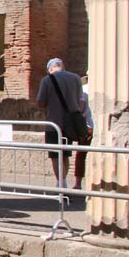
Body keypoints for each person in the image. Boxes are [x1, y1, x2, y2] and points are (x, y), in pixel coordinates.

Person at [35, 58, 83, 188]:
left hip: (54, 123)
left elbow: (40, 102)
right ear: (63, 66)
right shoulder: (76, 78)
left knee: (55, 155)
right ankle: (63, 180)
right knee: (65, 154)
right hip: (70, 123)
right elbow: (80, 100)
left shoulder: (47, 80)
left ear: (50, 69)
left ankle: (61, 182)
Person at [73, 75, 95, 191]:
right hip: (98, 126)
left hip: (87, 126)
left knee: (81, 155)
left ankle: (78, 183)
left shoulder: (83, 90)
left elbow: (80, 108)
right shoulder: (99, 88)